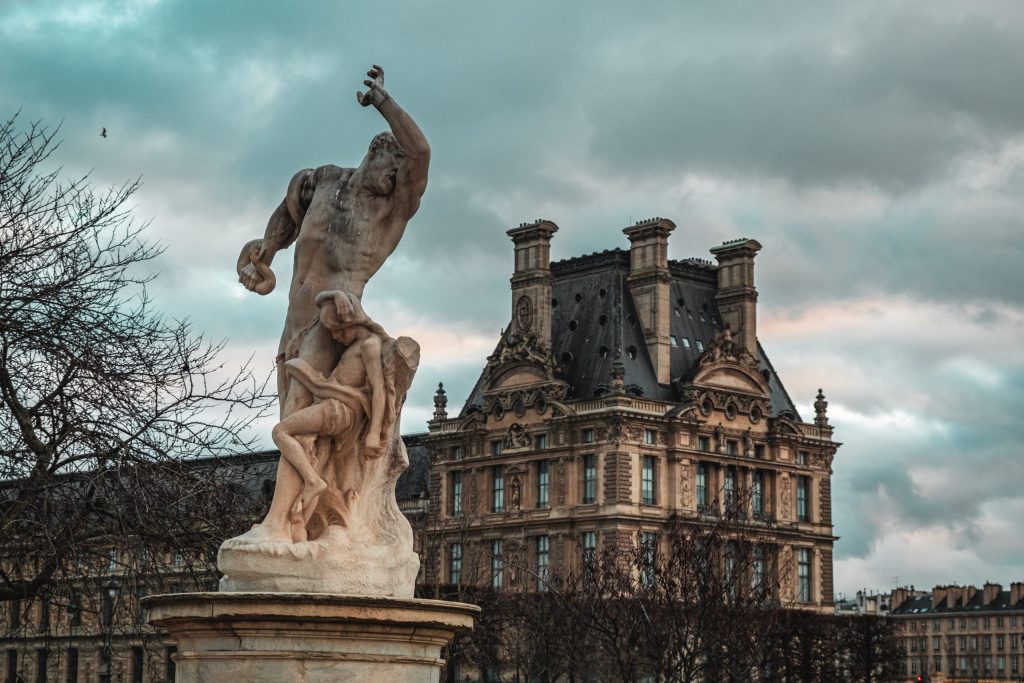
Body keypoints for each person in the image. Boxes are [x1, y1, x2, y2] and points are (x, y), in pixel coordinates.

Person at [236, 64, 429, 420]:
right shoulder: (324, 180)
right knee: (288, 427)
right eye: (394, 161)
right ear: (375, 152)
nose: (399, 172)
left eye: (404, 168)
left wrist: (383, 102)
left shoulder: (391, 211)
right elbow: (287, 216)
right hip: (293, 324)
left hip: (332, 325)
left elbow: (421, 153)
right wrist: (264, 253)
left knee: (294, 424)